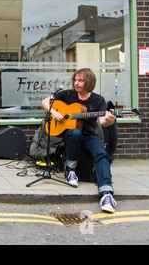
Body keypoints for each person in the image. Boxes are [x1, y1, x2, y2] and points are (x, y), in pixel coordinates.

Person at [42, 68, 117, 213]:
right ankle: (70, 171)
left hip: (89, 134)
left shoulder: (98, 100)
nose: (76, 83)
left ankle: (106, 193)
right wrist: (54, 112)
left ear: (89, 82)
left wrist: (110, 120)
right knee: (75, 132)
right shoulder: (68, 94)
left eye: (80, 80)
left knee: (102, 155)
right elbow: (46, 101)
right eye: (75, 80)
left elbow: (103, 122)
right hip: (71, 134)